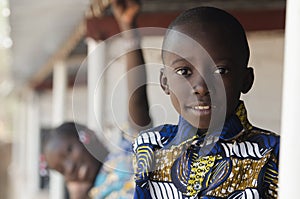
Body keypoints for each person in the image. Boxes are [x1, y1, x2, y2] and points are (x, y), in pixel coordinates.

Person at [132, 6, 280, 199]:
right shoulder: (150, 147)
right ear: (164, 81)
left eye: (220, 71)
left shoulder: (272, 153)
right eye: (184, 72)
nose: (201, 87)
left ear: (245, 80)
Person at [44, 0, 151, 198]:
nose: (71, 166)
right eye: (62, 170)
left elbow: (137, 102)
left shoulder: (126, 151)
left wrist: (129, 29)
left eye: (68, 150)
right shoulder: (93, 195)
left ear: (88, 135)